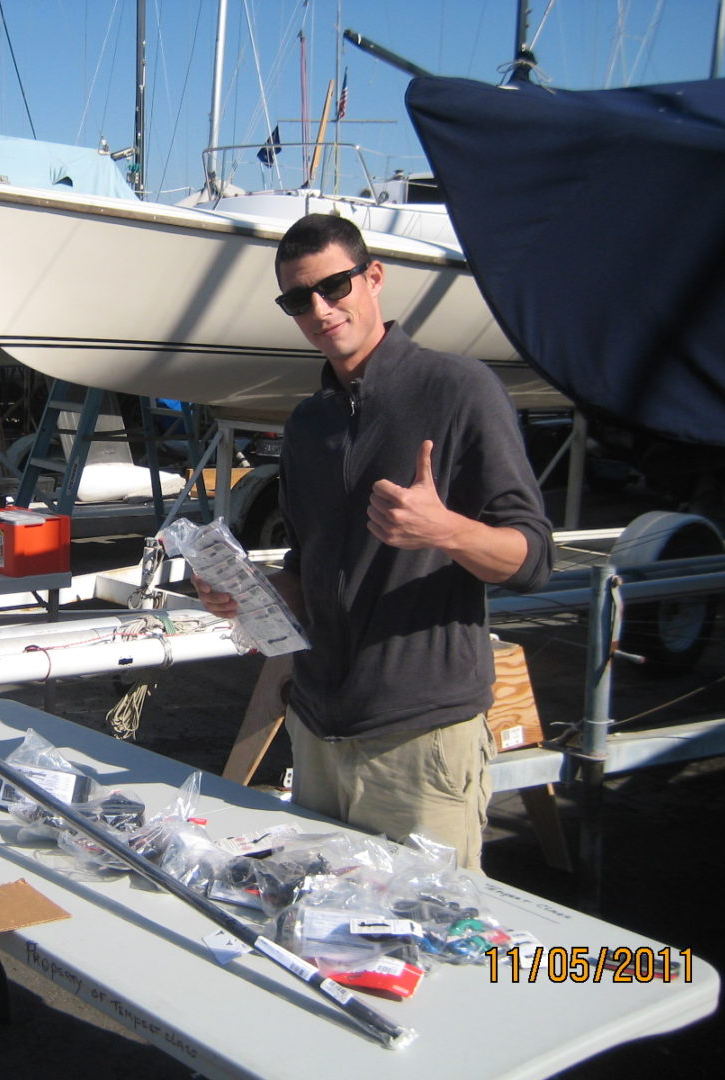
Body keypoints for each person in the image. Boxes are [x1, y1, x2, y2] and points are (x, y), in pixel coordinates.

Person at [195, 214, 552, 870]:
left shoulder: (460, 391)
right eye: (300, 299)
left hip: (422, 743)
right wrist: (245, 596)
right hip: (316, 737)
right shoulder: (308, 424)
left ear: (374, 278)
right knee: (327, 941)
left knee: (430, 949)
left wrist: (443, 529)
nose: (322, 309)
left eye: (335, 286)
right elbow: (308, 570)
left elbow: (534, 560)